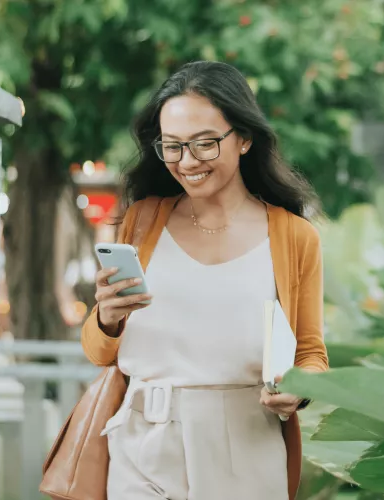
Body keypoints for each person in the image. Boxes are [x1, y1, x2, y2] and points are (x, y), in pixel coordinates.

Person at [80, 60, 329, 500]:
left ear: (245, 138)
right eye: (172, 146)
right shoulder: (142, 221)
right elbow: (100, 352)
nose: (187, 162)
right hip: (142, 447)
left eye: (204, 144)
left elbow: (310, 352)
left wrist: (298, 391)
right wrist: (107, 318)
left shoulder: (294, 237)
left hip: (246, 447)